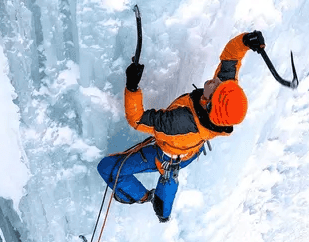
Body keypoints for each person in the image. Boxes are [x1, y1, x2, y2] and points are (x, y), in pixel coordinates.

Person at [97, 31, 266, 222]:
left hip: (166, 153)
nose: (215, 80)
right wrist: (245, 41)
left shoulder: (179, 122)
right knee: (170, 179)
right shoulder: (224, 101)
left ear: (210, 105)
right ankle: (163, 213)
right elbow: (231, 57)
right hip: (189, 152)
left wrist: (132, 87)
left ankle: (141, 196)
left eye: (216, 87)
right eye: (222, 83)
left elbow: (137, 120)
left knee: (107, 168)